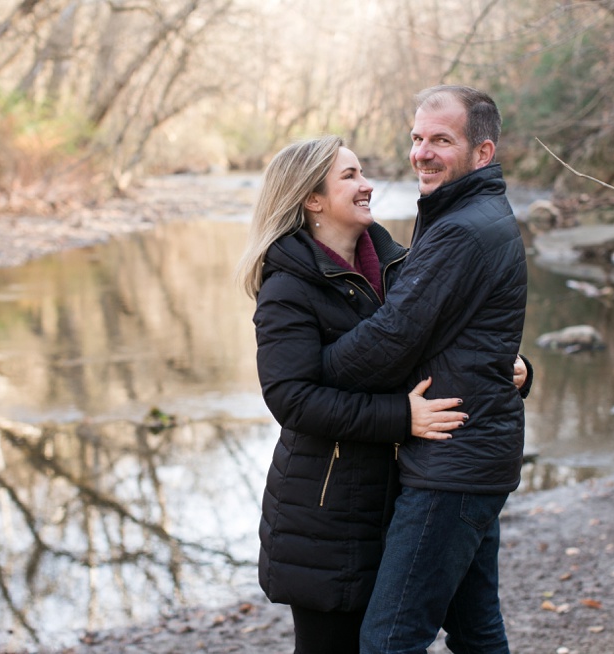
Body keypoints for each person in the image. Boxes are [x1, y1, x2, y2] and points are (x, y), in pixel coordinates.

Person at [236, 135, 531, 654]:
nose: (367, 184)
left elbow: (455, 336)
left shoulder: (402, 264)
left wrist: (520, 367)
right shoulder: (289, 288)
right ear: (312, 199)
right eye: (349, 176)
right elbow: (292, 400)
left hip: (403, 492)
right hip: (328, 509)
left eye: (362, 171)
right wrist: (402, 417)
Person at [319, 85, 528, 653]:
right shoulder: (464, 213)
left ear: (481, 153)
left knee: (390, 639)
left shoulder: (461, 229)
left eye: (441, 140)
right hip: (475, 453)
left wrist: (317, 368)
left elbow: (392, 339)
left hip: (452, 464)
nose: (422, 153)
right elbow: (466, 331)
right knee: (476, 630)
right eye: (417, 139)